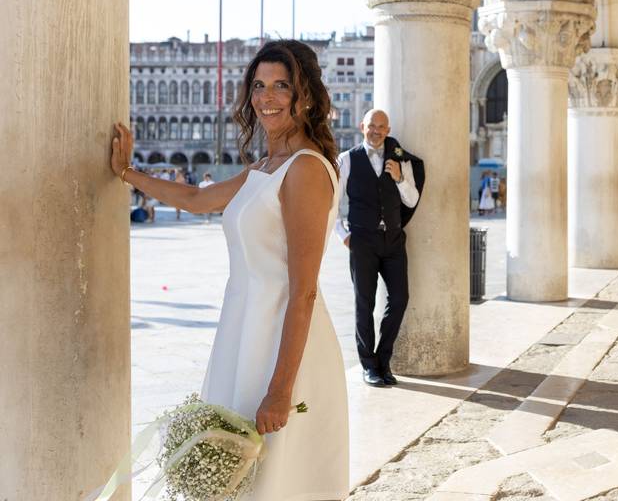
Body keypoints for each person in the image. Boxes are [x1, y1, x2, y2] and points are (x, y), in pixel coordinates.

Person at [110, 39, 348, 499]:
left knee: (278, 480)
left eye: (283, 86)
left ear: (309, 97)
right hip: (243, 332)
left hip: (282, 341)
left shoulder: (304, 170)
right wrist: (126, 173)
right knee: (240, 477)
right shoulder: (265, 166)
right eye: (259, 85)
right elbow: (198, 199)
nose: (267, 97)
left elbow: (304, 291)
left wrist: (281, 389)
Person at [335, 109, 424, 388]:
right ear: (362, 126)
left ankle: (384, 361)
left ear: (388, 129)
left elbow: (411, 200)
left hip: (394, 240)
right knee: (365, 303)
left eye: (382, 127)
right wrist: (343, 236)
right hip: (362, 240)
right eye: (372, 126)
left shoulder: (400, 159)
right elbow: (332, 203)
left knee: (399, 299)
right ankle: (368, 366)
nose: (376, 131)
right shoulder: (347, 160)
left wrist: (399, 178)